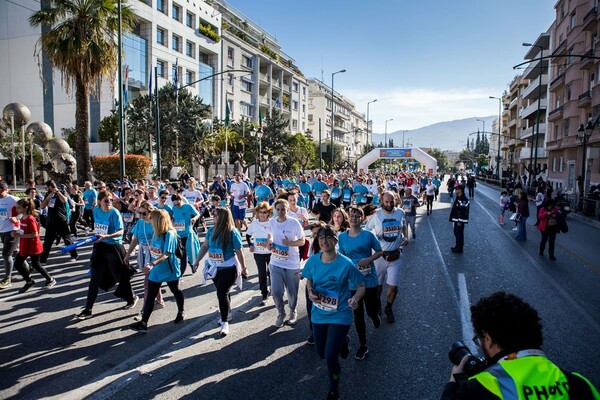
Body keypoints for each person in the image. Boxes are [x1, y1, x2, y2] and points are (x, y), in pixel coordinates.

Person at [441, 291, 600, 400]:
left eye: (480, 339)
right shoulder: (580, 384)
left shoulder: (479, 389)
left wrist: (453, 384)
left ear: (488, 338)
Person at [303, 225, 365, 400]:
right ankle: (343, 341)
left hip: (341, 314)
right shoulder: (313, 261)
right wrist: (310, 291)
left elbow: (361, 287)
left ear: (335, 240)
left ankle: (334, 390)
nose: (324, 241)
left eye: (328, 237)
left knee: (330, 357)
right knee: (321, 353)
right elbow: (309, 281)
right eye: (321, 238)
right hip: (319, 313)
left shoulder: (346, 263)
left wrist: (355, 299)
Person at [76, 189, 137, 320]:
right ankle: (88, 309)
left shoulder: (114, 213)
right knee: (94, 278)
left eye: (110, 200)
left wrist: (107, 236)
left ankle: (131, 298)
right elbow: (97, 227)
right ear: (99, 201)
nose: (109, 202)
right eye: (106, 200)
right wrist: (97, 236)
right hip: (99, 246)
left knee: (120, 275)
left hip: (113, 247)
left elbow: (121, 231)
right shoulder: (96, 211)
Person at [193, 207, 247, 336]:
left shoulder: (232, 232)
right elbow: (205, 246)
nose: (213, 217)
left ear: (223, 217)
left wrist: (244, 268)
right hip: (214, 267)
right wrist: (197, 261)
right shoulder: (211, 230)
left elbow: (239, 251)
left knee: (221, 293)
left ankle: (224, 323)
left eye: (216, 215)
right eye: (213, 215)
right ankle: (227, 314)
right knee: (224, 293)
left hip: (229, 267)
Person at [338, 206, 382, 360]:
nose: (354, 218)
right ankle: (363, 345)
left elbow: (379, 251)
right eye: (351, 215)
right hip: (353, 283)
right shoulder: (342, 237)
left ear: (362, 219)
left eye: (357, 216)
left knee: (370, 311)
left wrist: (369, 259)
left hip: (369, 280)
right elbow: (341, 258)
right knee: (358, 315)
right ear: (348, 218)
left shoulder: (368, 235)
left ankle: (375, 316)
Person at [130, 209, 185, 332]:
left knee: (175, 290)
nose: (150, 220)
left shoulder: (170, 234)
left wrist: (151, 264)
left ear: (159, 220)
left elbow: (166, 254)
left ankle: (181, 312)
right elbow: (153, 249)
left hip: (169, 269)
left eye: (152, 218)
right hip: (156, 271)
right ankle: (143, 323)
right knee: (150, 296)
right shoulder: (156, 232)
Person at [365, 191, 409, 323]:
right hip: (379, 257)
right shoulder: (376, 215)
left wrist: (406, 236)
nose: (389, 204)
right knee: (378, 286)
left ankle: (388, 308)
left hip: (395, 256)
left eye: (391, 201)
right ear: (381, 202)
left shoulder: (400, 212)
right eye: (386, 202)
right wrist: (374, 238)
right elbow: (367, 233)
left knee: (393, 287)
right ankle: (377, 301)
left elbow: (404, 226)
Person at [125, 201, 164, 321]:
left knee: (147, 284)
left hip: (154, 255)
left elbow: (163, 240)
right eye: (140, 213)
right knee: (152, 280)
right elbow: (135, 239)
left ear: (151, 212)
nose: (141, 216)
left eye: (144, 213)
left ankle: (143, 312)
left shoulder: (156, 223)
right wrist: (127, 254)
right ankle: (160, 301)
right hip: (143, 252)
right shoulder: (140, 223)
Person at [269, 199, 305, 327]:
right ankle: (281, 313)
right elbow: (269, 236)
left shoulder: (293, 223)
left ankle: (292, 310)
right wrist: (270, 244)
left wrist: (289, 243)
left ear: (287, 209)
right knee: (276, 291)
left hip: (292, 263)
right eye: (277, 209)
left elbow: (302, 241)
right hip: (275, 262)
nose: (280, 212)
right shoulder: (271, 222)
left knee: (292, 292)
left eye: (283, 209)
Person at [11, 198, 56, 292]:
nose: (17, 209)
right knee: (18, 263)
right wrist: (16, 232)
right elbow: (21, 229)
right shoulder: (21, 217)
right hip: (24, 245)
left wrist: (19, 235)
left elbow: (35, 234)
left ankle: (50, 280)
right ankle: (29, 281)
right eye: (16, 207)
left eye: (19, 208)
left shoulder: (30, 219)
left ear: (25, 208)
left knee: (36, 264)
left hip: (33, 245)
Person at [40, 180, 78, 265]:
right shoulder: (48, 194)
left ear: (50, 186)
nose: (45, 188)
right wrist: (49, 196)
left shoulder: (62, 192)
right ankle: (43, 260)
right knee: (47, 241)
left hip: (61, 219)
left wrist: (57, 192)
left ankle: (74, 255)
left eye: (46, 186)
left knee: (67, 239)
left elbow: (65, 200)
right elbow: (42, 206)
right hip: (50, 220)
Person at [246, 202, 272, 306]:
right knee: (262, 273)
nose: (262, 214)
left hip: (271, 252)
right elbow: (248, 235)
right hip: (258, 252)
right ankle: (264, 294)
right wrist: (251, 245)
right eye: (260, 212)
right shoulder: (255, 223)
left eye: (264, 212)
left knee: (271, 272)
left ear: (268, 213)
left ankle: (274, 290)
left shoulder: (272, 222)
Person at [171, 193, 200, 276]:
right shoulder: (174, 208)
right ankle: (190, 267)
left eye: (178, 204)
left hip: (187, 234)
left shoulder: (188, 206)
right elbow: (173, 217)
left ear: (181, 200)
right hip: (178, 234)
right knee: (182, 255)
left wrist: (194, 218)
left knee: (187, 253)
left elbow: (197, 214)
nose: (177, 206)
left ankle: (181, 274)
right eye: (175, 204)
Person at [0, 182, 20, 289]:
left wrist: (17, 218)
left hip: (13, 230)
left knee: (6, 254)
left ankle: (8, 278)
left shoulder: (13, 199)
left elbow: (27, 208)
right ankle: (28, 269)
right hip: (2, 231)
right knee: (15, 252)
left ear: (4, 189)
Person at [449, 185, 469, 254]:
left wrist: (460, 221)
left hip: (460, 220)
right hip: (456, 219)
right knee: (456, 233)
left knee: (459, 234)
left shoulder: (464, 199)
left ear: (460, 190)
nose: (455, 190)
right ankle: (457, 246)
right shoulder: (458, 198)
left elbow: (463, 211)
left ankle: (460, 248)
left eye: (457, 189)